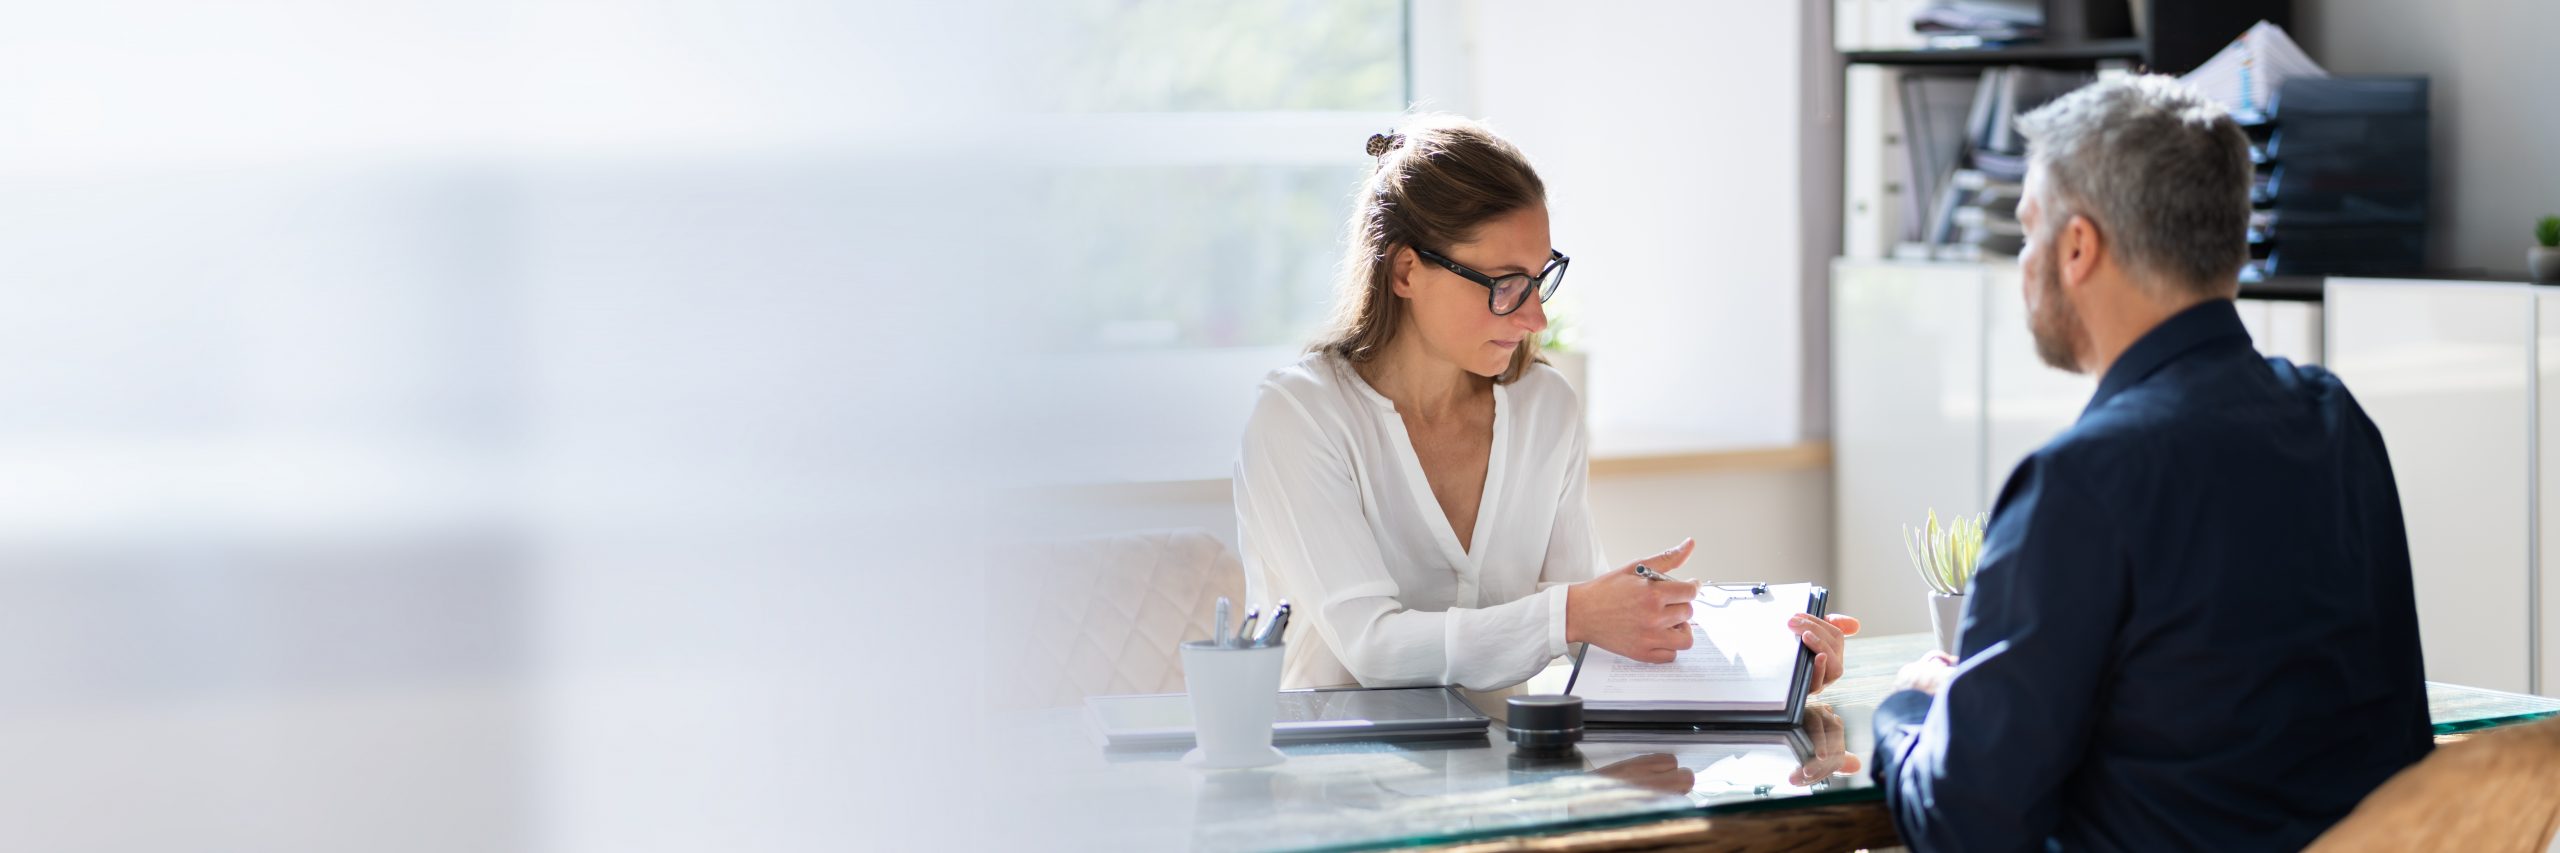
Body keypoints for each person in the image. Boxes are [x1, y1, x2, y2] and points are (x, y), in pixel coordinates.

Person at [1870, 76, 2431, 851]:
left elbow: (1967, 820)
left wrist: (1909, 714)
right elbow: (2396, 738)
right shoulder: (2337, 424)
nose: (2023, 260)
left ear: (2077, 248)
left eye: (2029, 229)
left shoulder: (2081, 481)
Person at [1232, 115, 1861, 709]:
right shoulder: (1301, 415)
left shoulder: (1545, 406)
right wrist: (1573, 614)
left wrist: (1774, 664)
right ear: (1405, 272)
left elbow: (1592, 628)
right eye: (1506, 285)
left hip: (1510, 775)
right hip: (1334, 795)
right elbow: (1374, 649)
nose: (1536, 317)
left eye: (1540, 278)